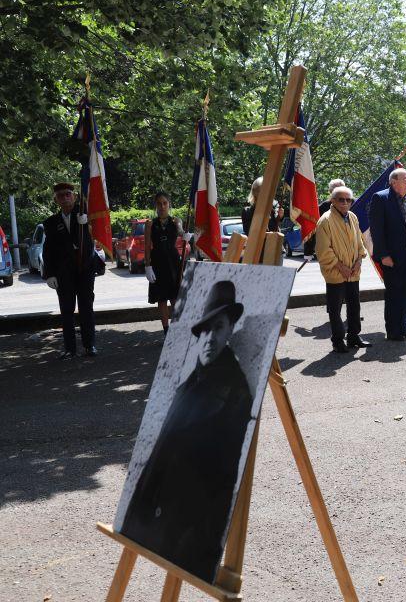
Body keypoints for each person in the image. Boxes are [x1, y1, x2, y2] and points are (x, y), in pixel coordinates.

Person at [120, 280, 252, 582]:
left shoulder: (236, 394)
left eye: (217, 327)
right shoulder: (188, 384)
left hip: (185, 534)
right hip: (155, 519)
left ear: (231, 328)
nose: (209, 338)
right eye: (204, 330)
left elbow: (222, 482)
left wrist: (197, 547)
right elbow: (158, 456)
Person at [42, 182, 101, 359]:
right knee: (67, 311)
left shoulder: (86, 216)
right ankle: (69, 348)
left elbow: (93, 241)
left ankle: (89, 345)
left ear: (74, 197)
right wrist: (50, 274)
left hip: (84, 269)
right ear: (56, 200)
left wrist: (86, 226)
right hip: (64, 273)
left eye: (68, 194)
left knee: (86, 308)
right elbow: (48, 250)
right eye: (61, 196)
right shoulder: (50, 223)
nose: (65, 198)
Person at [369, 168, 406, 341]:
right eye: (405, 179)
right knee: (394, 293)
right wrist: (384, 255)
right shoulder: (381, 198)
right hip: (391, 256)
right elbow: (377, 231)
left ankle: (403, 326)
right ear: (393, 182)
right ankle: (393, 330)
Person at [316, 185, 370, 353]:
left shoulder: (352, 217)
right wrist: (341, 267)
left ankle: (354, 336)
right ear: (332, 201)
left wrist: (359, 261)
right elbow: (323, 251)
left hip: (353, 272)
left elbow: (360, 243)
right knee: (335, 309)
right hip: (336, 273)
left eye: (349, 200)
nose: (345, 203)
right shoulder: (325, 220)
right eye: (341, 199)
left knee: (354, 306)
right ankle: (338, 341)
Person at [145, 192, 190, 333]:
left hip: (173, 263)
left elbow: (182, 232)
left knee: (175, 297)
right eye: (159, 203)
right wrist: (147, 266)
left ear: (169, 204)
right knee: (162, 298)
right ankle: (166, 329)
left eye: (165, 203)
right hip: (157, 262)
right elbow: (147, 246)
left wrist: (185, 235)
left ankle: (178, 328)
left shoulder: (175, 221)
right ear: (156, 206)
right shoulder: (150, 224)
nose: (162, 206)